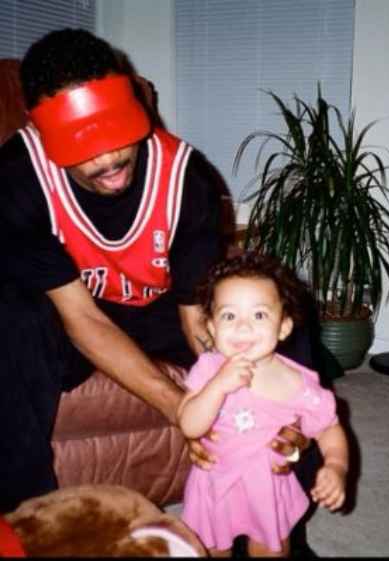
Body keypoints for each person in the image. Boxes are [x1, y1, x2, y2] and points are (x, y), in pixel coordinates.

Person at [0, 28, 310, 515]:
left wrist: (250, 403)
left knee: (271, 313)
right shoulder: (17, 179)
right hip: (73, 316)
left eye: (116, 131)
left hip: (162, 309)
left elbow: (198, 318)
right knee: (10, 317)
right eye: (82, 143)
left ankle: (278, 516)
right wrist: (181, 407)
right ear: (42, 133)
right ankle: (28, 518)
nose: (109, 159)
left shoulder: (187, 177)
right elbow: (83, 319)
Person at [178, 252, 349, 557]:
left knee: (270, 550)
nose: (243, 327)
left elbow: (328, 428)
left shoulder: (299, 383)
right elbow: (189, 424)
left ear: (283, 327)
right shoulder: (209, 369)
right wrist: (217, 386)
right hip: (214, 483)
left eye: (259, 315)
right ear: (212, 328)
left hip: (267, 488)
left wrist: (336, 466)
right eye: (229, 316)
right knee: (210, 550)